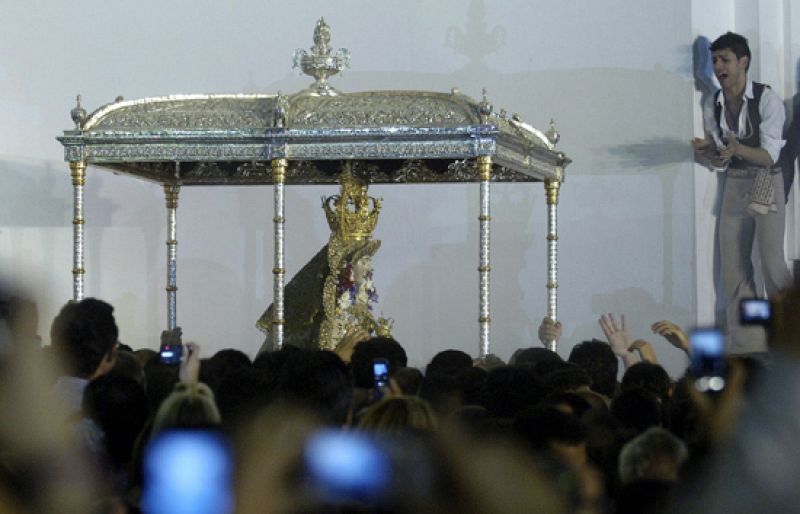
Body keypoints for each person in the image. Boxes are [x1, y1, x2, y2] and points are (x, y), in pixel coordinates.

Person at [691, 32, 792, 354]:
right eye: (715, 60)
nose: (718, 67)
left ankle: (791, 337)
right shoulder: (713, 101)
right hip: (735, 181)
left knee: (771, 262)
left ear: (743, 62)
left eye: (725, 60)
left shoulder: (766, 99)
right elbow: (724, 160)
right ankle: (748, 345)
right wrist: (713, 153)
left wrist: (737, 148)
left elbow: (770, 156)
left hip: (765, 179)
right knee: (733, 267)